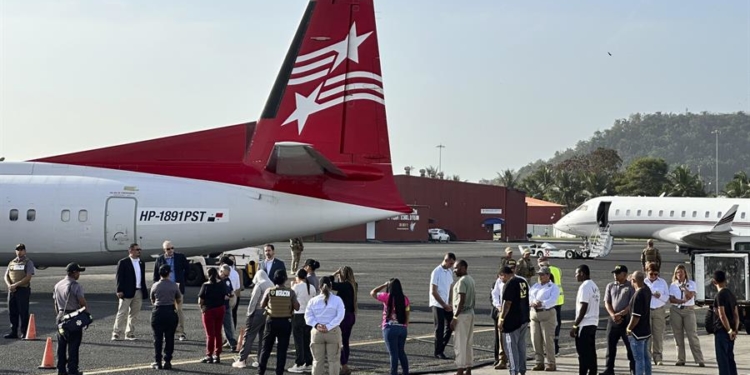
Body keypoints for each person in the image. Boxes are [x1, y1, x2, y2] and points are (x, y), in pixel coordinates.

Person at [258, 269, 300, 375]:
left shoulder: (270, 291)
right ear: (285, 279)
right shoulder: (290, 292)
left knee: (266, 349)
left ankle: (260, 371)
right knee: (282, 350)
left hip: (271, 321)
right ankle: (279, 372)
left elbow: (262, 305)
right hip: (285, 322)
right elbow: (297, 307)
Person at [305, 276, 345, 375]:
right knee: (334, 361)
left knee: (317, 361)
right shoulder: (337, 300)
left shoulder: (313, 300)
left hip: (317, 332)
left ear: (319, 287)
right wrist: (329, 326)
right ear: (331, 286)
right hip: (333, 332)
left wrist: (317, 325)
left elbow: (308, 316)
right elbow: (340, 316)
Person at [233, 270, 273, 369]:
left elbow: (253, 301)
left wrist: (249, 314)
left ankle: (242, 360)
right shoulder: (271, 283)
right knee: (262, 338)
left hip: (257, 312)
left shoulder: (259, 285)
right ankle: (261, 360)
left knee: (249, 336)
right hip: (268, 313)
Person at [371, 278, 410, 375]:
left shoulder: (386, 296)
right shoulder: (405, 299)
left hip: (389, 328)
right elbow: (407, 314)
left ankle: (394, 373)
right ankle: (406, 372)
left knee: (393, 354)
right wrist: (405, 325)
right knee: (401, 352)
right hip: (402, 328)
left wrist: (384, 285)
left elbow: (373, 292)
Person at [53, 263, 87, 375]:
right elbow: (82, 302)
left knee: (61, 344)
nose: (79, 274)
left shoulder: (58, 285)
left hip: (61, 316)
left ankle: (61, 369)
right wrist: (86, 314)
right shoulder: (75, 285)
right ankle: (72, 369)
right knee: (74, 344)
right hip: (73, 316)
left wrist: (59, 316)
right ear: (73, 273)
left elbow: (55, 303)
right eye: (78, 272)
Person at [668, 264, 705, 367]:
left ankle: (699, 359)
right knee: (678, 335)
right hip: (676, 310)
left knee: (692, 335)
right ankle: (681, 359)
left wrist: (684, 289)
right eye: (677, 272)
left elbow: (690, 296)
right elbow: (671, 299)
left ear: (685, 273)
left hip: (688, 310)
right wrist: (680, 300)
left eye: (681, 272)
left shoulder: (691, 284)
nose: (679, 274)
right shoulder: (673, 285)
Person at [601, 265, 635, 375]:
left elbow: (631, 304)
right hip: (613, 320)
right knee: (610, 346)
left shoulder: (630, 286)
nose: (615, 275)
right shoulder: (610, 286)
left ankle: (633, 369)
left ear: (625, 274)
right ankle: (609, 369)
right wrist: (613, 315)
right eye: (614, 273)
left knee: (630, 347)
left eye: (618, 273)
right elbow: (607, 302)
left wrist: (621, 314)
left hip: (626, 320)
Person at [152, 240, 189, 341]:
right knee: (165, 311)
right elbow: (156, 275)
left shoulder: (180, 257)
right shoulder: (160, 259)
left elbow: (187, 269)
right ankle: (167, 332)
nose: (171, 250)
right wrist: (156, 288)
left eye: (172, 248)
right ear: (164, 250)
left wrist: (183, 280)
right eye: (168, 249)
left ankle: (181, 332)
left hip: (177, 287)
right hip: (164, 288)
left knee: (179, 310)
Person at [498, 263, 530, 375]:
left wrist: (502, 319)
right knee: (521, 346)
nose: (500, 279)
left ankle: (513, 371)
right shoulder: (523, 281)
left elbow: (508, 303)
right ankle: (522, 369)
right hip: (524, 318)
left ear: (504, 275)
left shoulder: (510, 283)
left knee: (511, 348)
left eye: (500, 276)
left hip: (512, 321)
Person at [112, 243, 148, 341]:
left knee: (134, 314)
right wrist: (119, 290)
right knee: (122, 312)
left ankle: (129, 333)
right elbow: (119, 277)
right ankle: (116, 333)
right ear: (130, 251)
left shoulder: (141, 263)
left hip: (138, 291)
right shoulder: (123, 262)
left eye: (140, 249)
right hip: (126, 291)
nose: (139, 251)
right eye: (137, 249)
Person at [149, 264, 182, 370]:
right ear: (169, 273)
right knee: (169, 337)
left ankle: (157, 361)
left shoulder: (155, 285)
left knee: (157, 338)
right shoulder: (174, 285)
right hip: (170, 311)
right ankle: (167, 361)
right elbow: (179, 298)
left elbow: (152, 299)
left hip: (158, 311)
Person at [570, 264, 600, 375]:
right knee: (591, 352)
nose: (576, 276)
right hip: (593, 323)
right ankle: (593, 372)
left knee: (582, 353)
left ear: (582, 273)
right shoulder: (594, 286)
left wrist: (575, 325)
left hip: (585, 324)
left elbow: (583, 307)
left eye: (577, 273)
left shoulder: (584, 286)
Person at [529, 266, 559, 371]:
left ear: (548, 275)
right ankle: (539, 362)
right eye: (539, 275)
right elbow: (529, 296)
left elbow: (553, 300)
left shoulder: (553, 287)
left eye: (542, 274)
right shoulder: (535, 286)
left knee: (548, 340)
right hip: (534, 314)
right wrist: (532, 303)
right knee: (535, 339)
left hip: (546, 314)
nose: (540, 277)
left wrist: (542, 303)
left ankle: (551, 362)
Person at [450, 260, 475, 375]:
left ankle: (460, 369)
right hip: (470, 313)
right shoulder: (471, 279)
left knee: (460, 343)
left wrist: (455, 317)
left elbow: (461, 300)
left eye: (457, 268)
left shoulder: (461, 282)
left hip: (462, 314)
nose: (455, 270)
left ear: (464, 268)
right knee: (468, 343)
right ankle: (469, 368)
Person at [289, 269, 318, 373]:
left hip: (298, 316)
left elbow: (291, 299)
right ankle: (309, 362)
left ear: (297, 276)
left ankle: (299, 363)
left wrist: (292, 285)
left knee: (298, 341)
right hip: (309, 316)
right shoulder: (312, 287)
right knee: (307, 340)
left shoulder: (296, 287)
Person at [4, 243, 35, 339]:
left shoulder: (28, 262)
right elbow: (6, 275)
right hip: (12, 290)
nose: (19, 251)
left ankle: (24, 332)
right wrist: (9, 285)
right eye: (18, 250)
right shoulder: (12, 262)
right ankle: (13, 331)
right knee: (12, 311)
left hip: (22, 289)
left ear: (25, 251)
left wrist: (15, 285)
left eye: (21, 250)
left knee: (23, 312)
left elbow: (28, 277)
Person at [198, 267, 228, 364]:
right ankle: (217, 354)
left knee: (210, 334)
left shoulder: (206, 286)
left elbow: (200, 300)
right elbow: (226, 295)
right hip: (220, 309)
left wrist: (201, 308)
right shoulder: (221, 284)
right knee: (218, 332)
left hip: (209, 310)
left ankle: (209, 355)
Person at [332, 266, 358, 375]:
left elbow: (327, 282)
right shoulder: (354, 285)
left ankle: (344, 365)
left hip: (343, 317)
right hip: (351, 316)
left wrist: (334, 274)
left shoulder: (344, 286)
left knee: (339, 341)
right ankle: (344, 363)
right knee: (345, 342)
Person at [712, 270, 739, 375]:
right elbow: (736, 315)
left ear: (714, 282)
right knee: (730, 358)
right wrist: (735, 330)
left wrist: (729, 330)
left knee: (723, 360)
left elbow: (722, 314)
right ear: (725, 280)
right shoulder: (731, 294)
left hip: (722, 331)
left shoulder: (720, 295)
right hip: (732, 332)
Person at [430, 252, 456, 360]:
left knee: (451, 326)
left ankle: (442, 347)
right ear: (446, 260)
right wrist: (443, 304)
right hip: (437, 303)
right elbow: (433, 291)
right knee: (439, 328)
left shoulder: (449, 272)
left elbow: (450, 288)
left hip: (446, 303)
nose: (451, 266)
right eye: (450, 263)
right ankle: (438, 351)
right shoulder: (436, 272)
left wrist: (450, 303)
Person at [626, 270, 652, 375]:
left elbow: (636, 317)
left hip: (637, 333)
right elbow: (641, 280)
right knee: (646, 358)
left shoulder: (637, 295)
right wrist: (635, 276)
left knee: (639, 360)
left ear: (634, 281)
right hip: (646, 331)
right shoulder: (647, 290)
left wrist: (629, 328)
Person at [644, 262, 669, 365]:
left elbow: (667, 297)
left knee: (658, 335)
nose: (654, 276)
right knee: (647, 335)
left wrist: (660, 296)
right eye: (651, 274)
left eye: (656, 274)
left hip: (659, 309)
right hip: (647, 310)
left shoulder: (662, 282)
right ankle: (647, 357)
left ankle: (658, 357)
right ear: (647, 272)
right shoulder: (644, 282)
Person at [539, 258, 564, 356]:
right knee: (557, 324)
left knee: (549, 325)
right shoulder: (557, 269)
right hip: (559, 299)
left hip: (550, 301)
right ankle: (556, 347)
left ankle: (551, 348)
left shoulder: (545, 273)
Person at [219, 264, 239, 352]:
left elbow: (230, 289)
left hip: (226, 306)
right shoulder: (215, 280)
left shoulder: (227, 280)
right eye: (225, 275)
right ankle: (217, 344)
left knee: (228, 326)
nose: (226, 277)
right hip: (217, 306)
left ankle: (232, 343)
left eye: (227, 275)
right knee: (216, 327)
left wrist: (230, 294)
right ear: (220, 272)